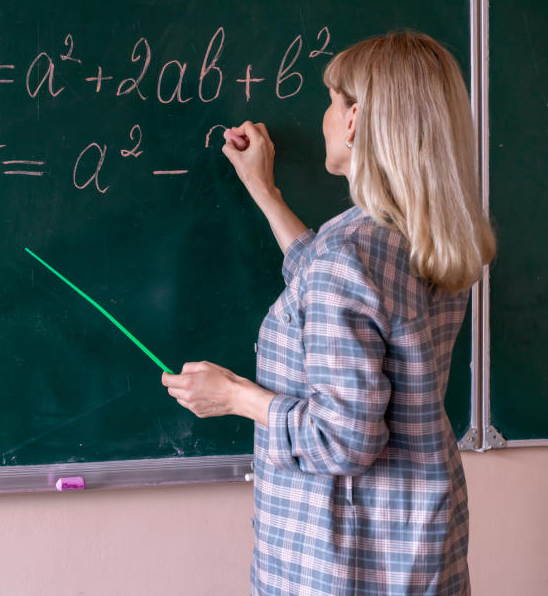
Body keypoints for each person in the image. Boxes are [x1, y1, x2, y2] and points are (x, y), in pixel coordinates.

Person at [161, 31, 495, 595]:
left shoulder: (350, 257)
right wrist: (264, 192)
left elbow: (341, 440)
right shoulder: (422, 235)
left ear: (355, 119)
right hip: (414, 540)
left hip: (342, 560)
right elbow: (325, 277)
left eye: (331, 100)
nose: (324, 115)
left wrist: (235, 396)